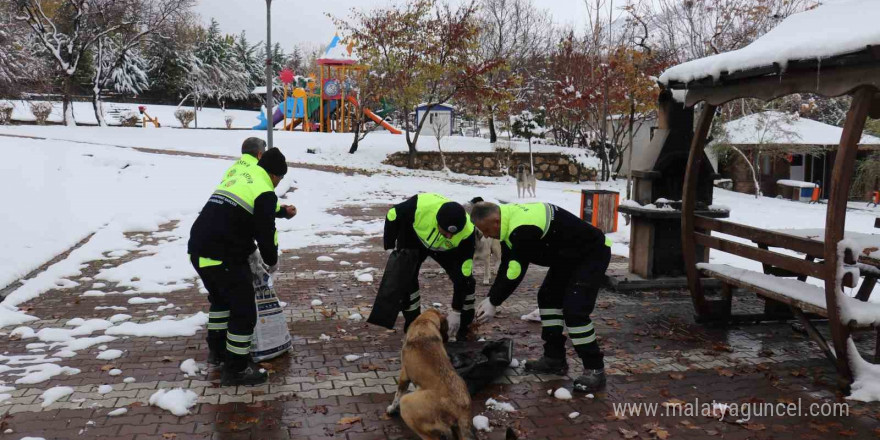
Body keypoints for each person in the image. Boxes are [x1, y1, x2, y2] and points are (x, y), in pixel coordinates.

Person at [470, 201, 611, 393]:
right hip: (568, 256)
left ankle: (595, 368)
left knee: (575, 311)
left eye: (485, 230)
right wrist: (491, 297)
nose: (485, 235)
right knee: (548, 297)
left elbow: (515, 269)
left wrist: (494, 301)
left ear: (495, 221)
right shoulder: (509, 221)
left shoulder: (522, 228)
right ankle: (554, 359)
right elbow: (508, 263)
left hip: (591, 253)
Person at [188, 148, 295, 386]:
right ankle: (236, 369)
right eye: (280, 179)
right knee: (244, 312)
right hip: (223, 255)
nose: (278, 184)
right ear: (276, 175)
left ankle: (217, 353)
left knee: (221, 302)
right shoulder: (266, 190)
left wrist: (282, 212)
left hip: (199, 249)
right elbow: (266, 233)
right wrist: (272, 261)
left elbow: (253, 207)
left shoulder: (246, 176)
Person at [384, 193, 477, 340]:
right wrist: (389, 246)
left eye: (453, 234)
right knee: (406, 278)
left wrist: (456, 311)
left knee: (467, 281)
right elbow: (392, 214)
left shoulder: (468, 233)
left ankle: (464, 327)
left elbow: (464, 274)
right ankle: (413, 326)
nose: (449, 236)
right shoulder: (417, 207)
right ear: (437, 222)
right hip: (414, 238)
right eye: (445, 232)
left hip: (447, 250)